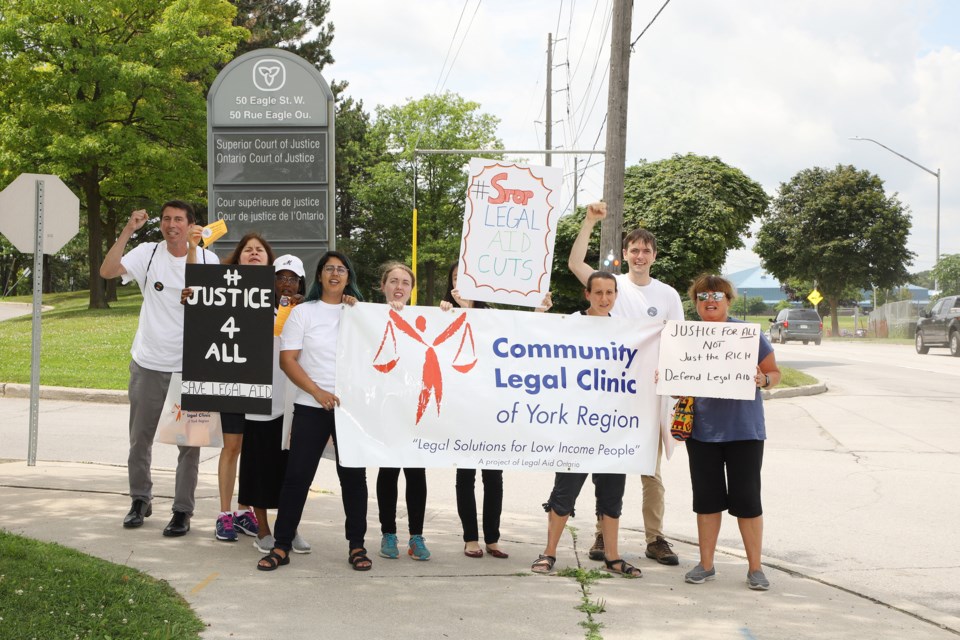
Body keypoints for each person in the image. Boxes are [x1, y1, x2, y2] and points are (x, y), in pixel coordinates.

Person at [568, 201, 684, 566]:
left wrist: (675, 386)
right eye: (634, 249)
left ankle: (656, 538)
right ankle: (604, 534)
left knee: (651, 473)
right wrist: (588, 222)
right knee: (607, 470)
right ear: (626, 254)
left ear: (654, 255)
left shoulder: (667, 295)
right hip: (611, 396)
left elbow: (678, 342)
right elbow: (574, 264)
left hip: (650, 398)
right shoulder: (610, 287)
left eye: (646, 250)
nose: (640, 255)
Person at [100, 202, 218, 537]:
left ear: (191, 225)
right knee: (139, 439)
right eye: (166, 219)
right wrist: (127, 230)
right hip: (148, 362)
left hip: (191, 366)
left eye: (178, 219)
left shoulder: (208, 260)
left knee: (189, 445)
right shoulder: (148, 253)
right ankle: (140, 500)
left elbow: (219, 308)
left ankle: (182, 510)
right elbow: (107, 272)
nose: (171, 225)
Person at [257, 251, 368, 571]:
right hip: (310, 405)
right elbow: (287, 360)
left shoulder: (359, 313)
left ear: (349, 277)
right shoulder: (303, 313)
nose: (335, 273)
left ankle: (357, 546)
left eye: (341, 269)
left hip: (349, 410)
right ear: (319, 276)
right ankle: (281, 546)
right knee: (296, 477)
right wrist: (317, 392)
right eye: (329, 268)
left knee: (353, 479)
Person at [530, 271, 640, 577]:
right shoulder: (572, 324)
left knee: (612, 496)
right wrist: (539, 313)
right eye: (599, 292)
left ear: (617, 295)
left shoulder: (628, 331)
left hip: (613, 429)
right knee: (564, 493)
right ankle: (549, 552)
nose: (605, 299)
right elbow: (535, 342)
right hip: (576, 427)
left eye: (610, 293)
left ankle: (613, 557)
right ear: (587, 295)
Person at [681, 274, 780, 590]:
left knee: (748, 501)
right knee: (706, 501)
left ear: (728, 300)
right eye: (703, 296)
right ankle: (706, 565)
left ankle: (755, 569)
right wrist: (667, 378)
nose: (710, 300)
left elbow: (773, 372)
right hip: (702, 432)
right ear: (695, 302)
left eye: (717, 295)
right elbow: (675, 386)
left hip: (744, 430)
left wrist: (763, 380)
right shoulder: (685, 336)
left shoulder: (748, 335)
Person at [239, 254, 312, 555]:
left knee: (291, 473)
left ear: (301, 283)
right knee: (259, 468)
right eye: (280, 277)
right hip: (260, 402)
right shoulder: (253, 308)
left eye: (292, 278)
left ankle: (288, 527)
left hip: (294, 403)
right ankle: (263, 529)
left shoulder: (307, 313)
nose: (286, 283)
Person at [207, 233, 274, 542]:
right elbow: (204, 319)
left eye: (259, 250)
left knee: (253, 450)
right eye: (248, 250)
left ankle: (244, 509)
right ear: (238, 258)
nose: (254, 253)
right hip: (231, 381)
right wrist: (191, 297)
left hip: (265, 384)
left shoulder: (278, 294)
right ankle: (224, 515)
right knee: (232, 446)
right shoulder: (220, 289)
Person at [438, 262, 508, 559]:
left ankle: (492, 538)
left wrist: (470, 309)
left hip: (490, 407)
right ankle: (470, 538)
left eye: (464, 278)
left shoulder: (490, 314)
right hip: (461, 408)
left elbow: (502, 342)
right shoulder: (441, 313)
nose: (459, 284)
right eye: (455, 279)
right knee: (465, 476)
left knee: (493, 477)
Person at [375, 263, 432, 561]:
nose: (399, 286)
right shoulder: (367, 316)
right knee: (388, 471)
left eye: (405, 282)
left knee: (416, 473)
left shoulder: (425, 318)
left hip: (415, 411)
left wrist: (448, 308)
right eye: (393, 281)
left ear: (412, 289)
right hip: (385, 409)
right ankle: (388, 534)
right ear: (383, 285)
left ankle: (416, 537)